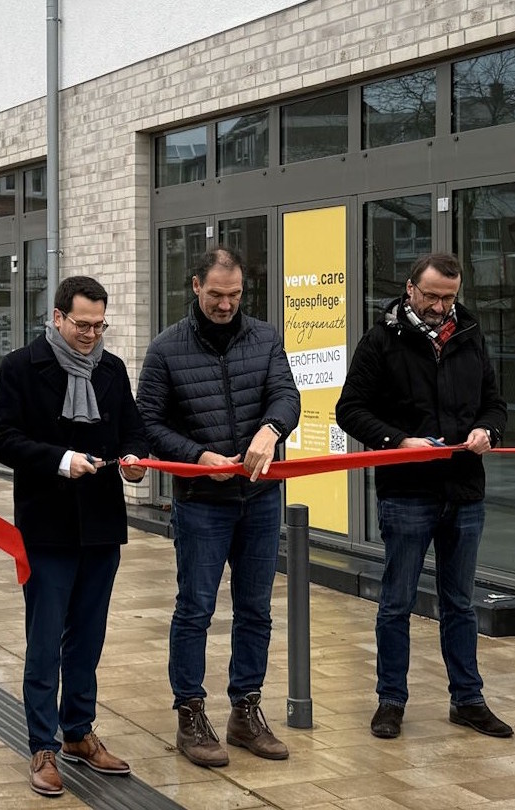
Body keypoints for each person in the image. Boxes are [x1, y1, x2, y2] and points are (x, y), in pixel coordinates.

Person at [335, 251, 511, 741]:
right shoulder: (381, 340)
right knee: (396, 602)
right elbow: (349, 410)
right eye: (431, 296)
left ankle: (468, 700)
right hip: (407, 492)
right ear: (410, 288)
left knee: (460, 603)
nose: (439, 306)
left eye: (449, 298)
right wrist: (398, 441)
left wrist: (488, 431)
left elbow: (495, 404)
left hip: (464, 491)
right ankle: (391, 701)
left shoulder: (470, 334)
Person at [137, 246, 300, 768]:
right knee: (195, 609)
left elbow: (287, 397)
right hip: (201, 503)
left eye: (234, 295)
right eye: (215, 295)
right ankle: (190, 713)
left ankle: (245, 711)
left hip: (260, 498)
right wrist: (196, 457)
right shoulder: (166, 349)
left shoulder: (266, 338)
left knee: (256, 609)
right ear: (195, 286)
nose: (226, 305)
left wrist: (271, 430)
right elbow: (148, 423)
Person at [0, 276, 149, 797]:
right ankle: (43, 745)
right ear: (57, 317)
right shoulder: (20, 366)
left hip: (101, 524)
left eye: (100, 326)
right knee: (45, 640)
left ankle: (78, 731)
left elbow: (133, 430)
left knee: (88, 635)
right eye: (83, 325)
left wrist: (135, 460)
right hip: (47, 525)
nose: (92, 335)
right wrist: (60, 460)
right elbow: (1, 440)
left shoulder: (112, 369)